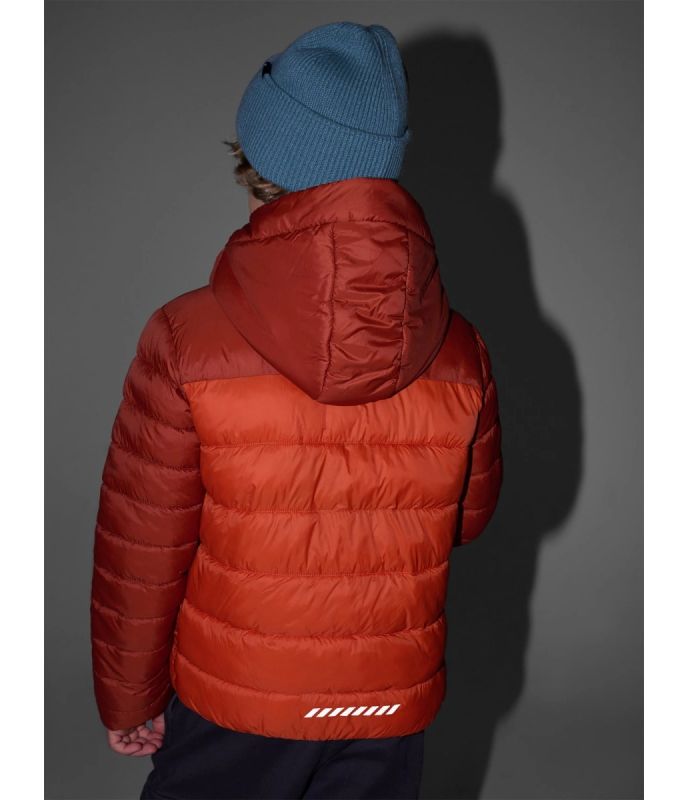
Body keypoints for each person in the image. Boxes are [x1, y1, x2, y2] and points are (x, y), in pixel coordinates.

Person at [89, 20, 503, 800]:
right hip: (386, 697)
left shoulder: (185, 338)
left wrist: (130, 697)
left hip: (239, 698)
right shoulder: (460, 349)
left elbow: (143, 552)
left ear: (261, 161)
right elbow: (466, 519)